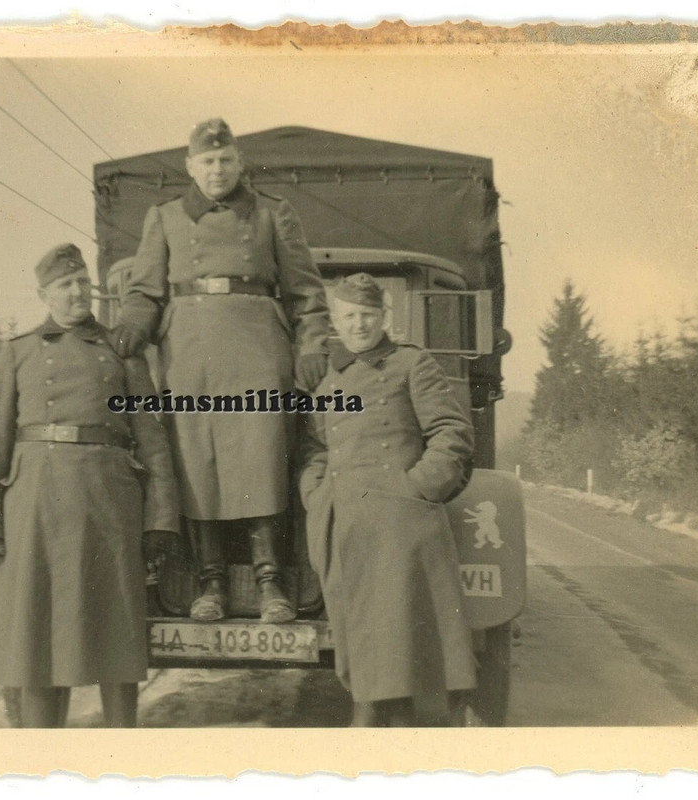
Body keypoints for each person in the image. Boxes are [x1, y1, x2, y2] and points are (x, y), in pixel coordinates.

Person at [109, 118, 330, 624]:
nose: (217, 169)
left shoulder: (274, 215)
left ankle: (270, 581)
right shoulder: (163, 218)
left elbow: (306, 294)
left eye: (226, 160)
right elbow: (144, 290)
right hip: (189, 352)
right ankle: (209, 583)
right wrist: (131, 326)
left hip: (258, 347)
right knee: (197, 462)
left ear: (240, 164)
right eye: (207, 161)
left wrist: (312, 345)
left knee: (262, 457)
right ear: (190, 166)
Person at [0, 243, 179, 728]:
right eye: (65, 285)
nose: (77, 292)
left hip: (107, 501)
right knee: (38, 638)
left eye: (83, 282)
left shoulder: (121, 352)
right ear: (44, 294)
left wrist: (160, 517)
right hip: (35, 504)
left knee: (115, 636)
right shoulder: (18, 352)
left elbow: (153, 441)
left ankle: (121, 746)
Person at [298, 272, 476, 727]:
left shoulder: (411, 364)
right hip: (341, 522)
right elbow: (316, 447)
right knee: (358, 634)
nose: (359, 325)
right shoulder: (328, 377)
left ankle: (376, 727)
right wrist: (316, 493)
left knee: (397, 638)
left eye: (368, 315)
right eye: (350, 316)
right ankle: (383, 723)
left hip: (398, 523)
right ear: (335, 320)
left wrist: (416, 489)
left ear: (385, 317)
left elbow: (450, 431)